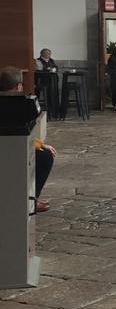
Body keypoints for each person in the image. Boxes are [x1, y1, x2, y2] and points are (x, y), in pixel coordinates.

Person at [0, 67, 54, 212]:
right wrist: (40, 145)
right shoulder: (22, 105)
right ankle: (30, 199)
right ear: (18, 86)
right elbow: (22, 134)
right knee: (45, 157)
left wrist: (38, 144)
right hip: (14, 151)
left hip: (9, 148)